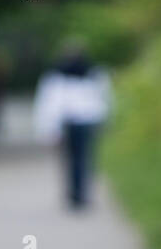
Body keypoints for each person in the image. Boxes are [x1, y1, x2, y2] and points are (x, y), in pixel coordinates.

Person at [32, 41, 112, 208]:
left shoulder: (59, 75)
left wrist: (48, 128)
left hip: (75, 122)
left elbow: (48, 104)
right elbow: (104, 100)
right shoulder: (92, 73)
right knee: (82, 159)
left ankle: (76, 194)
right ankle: (78, 194)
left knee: (74, 160)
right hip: (79, 122)